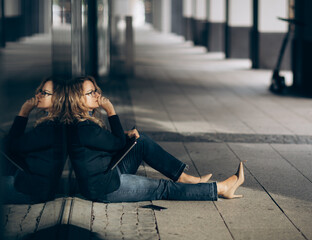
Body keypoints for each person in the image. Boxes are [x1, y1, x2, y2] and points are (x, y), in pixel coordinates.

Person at [64, 76, 244, 202]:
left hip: (108, 172)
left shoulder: (81, 123)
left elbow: (106, 142)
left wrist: (125, 134)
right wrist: (111, 111)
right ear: (76, 99)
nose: (97, 95)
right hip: (106, 188)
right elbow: (116, 143)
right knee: (162, 188)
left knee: (140, 141)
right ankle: (219, 189)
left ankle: (185, 177)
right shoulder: (84, 128)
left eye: (95, 90)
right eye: (90, 93)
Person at [2, 78, 67, 203]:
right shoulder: (57, 124)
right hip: (36, 187)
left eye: (44, 93)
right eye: (40, 91)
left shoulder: (49, 127)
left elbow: (9, 146)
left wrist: (24, 112)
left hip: (29, 191)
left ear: (59, 98)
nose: (38, 95)